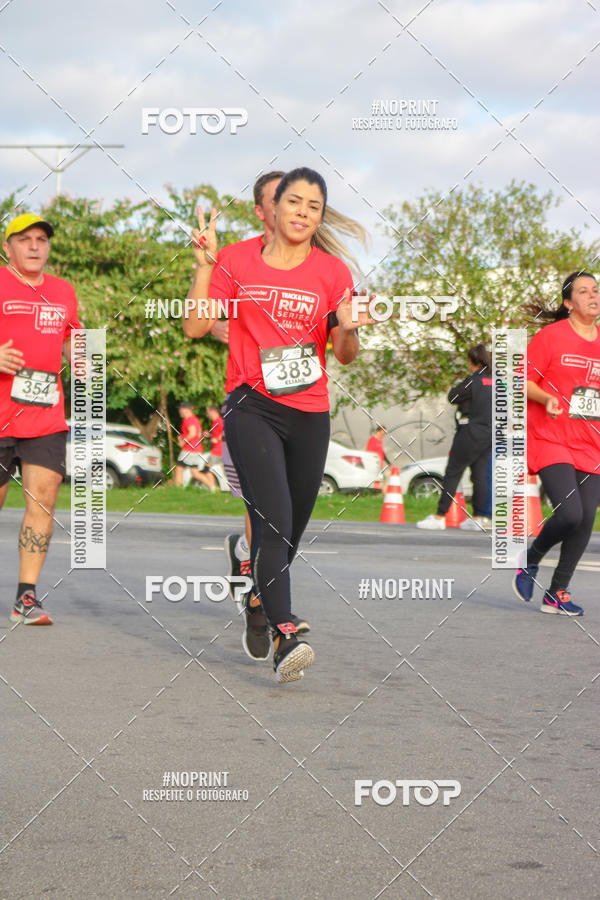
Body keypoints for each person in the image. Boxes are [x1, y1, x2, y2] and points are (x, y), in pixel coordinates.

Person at [184, 166, 371, 682]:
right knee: (274, 521)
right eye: (295, 202)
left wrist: (350, 329)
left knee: (289, 536)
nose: (303, 213)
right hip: (251, 406)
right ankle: (286, 634)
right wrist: (203, 266)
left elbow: (345, 354)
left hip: (309, 412)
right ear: (275, 207)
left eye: (314, 206)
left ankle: (256, 597)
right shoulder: (237, 259)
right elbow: (197, 325)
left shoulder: (333, 274)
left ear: (319, 215)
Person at [0, 213, 82, 625]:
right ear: (7, 246)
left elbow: (71, 338)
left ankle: (25, 597)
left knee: (43, 501)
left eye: (42, 240)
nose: (35, 246)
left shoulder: (63, 291)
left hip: (45, 416)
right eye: (25, 239)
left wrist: (82, 360)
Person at [513, 271, 600, 615]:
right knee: (569, 513)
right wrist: (545, 397)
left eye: (595, 290)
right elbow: (520, 380)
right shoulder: (551, 337)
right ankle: (531, 557)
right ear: (568, 303)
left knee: (586, 518)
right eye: (583, 291)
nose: (593, 295)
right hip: (550, 437)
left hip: (590, 442)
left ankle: (557, 592)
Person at [417, 344, 492, 531]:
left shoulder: (472, 381)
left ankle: (440, 516)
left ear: (471, 361)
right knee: (480, 476)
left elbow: (453, 396)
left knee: (453, 472)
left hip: (469, 431)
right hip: (489, 434)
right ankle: (478, 517)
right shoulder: (497, 382)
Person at [174, 401, 216, 491]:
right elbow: (198, 435)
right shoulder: (195, 420)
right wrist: (182, 437)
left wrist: (183, 442)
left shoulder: (188, 420)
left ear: (185, 409)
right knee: (195, 472)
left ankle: (177, 490)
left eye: (180, 409)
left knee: (179, 468)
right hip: (196, 449)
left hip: (189, 449)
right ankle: (212, 487)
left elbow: (192, 433)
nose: (179, 411)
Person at [366, 425, 388, 490]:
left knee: (382, 479)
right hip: (374, 464)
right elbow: (369, 453)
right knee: (378, 479)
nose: (383, 435)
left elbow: (382, 453)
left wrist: (388, 463)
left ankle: (379, 493)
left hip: (380, 464)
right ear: (378, 432)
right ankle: (377, 492)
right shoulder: (372, 440)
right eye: (382, 433)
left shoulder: (380, 441)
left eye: (384, 434)